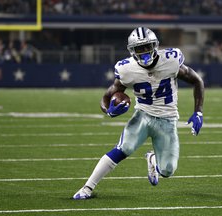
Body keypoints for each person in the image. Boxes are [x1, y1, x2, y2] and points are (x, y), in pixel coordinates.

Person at [73, 27, 204, 199]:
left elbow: (197, 80)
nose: (143, 52)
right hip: (142, 116)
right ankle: (87, 188)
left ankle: (152, 159)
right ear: (132, 51)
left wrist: (198, 112)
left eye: (147, 46)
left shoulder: (171, 60)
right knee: (122, 149)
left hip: (168, 120)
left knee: (167, 171)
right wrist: (109, 111)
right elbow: (106, 97)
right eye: (139, 48)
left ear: (155, 45)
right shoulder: (127, 69)